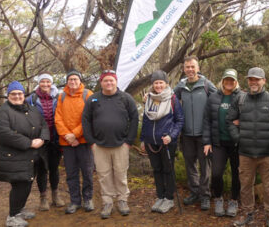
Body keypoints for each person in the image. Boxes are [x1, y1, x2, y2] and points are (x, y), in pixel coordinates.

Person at [226, 67, 269, 227]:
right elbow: (229, 121)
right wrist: (238, 138)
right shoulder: (240, 99)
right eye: (251, 79)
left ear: (263, 81)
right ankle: (247, 214)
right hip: (245, 153)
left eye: (257, 79)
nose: (253, 82)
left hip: (266, 153)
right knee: (245, 186)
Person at [0, 81, 49, 227]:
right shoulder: (3, 112)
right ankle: (12, 216)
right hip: (13, 157)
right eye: (13, 94)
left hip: (30, 156)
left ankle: (19, 209)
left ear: (24, 95)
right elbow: (1, 133)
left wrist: (42, 138)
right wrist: (29, 143)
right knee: (20, 184)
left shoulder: (31, 109)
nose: (17, 96)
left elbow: (44, 125)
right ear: (8, 96)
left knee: (27, 182)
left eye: (19, 93)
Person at [82, 70, 139, 219]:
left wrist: (129, 141)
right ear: (101, 82)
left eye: (111, 80)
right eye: (106, 80)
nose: (109, 83)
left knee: (121, 174)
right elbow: (86, 120)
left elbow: (134, 119)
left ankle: (122, 200)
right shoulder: (93, 99)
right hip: (99, 146)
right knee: (103, 175)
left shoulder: (126, 98)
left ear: (116, 81)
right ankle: (107, 202)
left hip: (121, 145)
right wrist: (91, 142)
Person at [174, 56, 217, 210]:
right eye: (187, 67)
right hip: (186, 134)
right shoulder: (181, 86)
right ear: (184, 69)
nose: (190, 70)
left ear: (198, 68)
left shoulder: (206, 84)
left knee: (205, 166)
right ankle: (195, 193)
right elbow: (168, 98)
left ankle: (205, 195)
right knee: (190, 165)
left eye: (193, 67)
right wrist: (149, 95)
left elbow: (219, 99)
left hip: (204, 134)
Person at [140, 70, 184, 214]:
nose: (158, 85)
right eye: (156, 83)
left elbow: (179, 120)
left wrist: (171, 136)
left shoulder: (172, 99)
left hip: (166, 142)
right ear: (152, 84)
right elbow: (145, 120)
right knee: (157, 170)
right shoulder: (149, 98)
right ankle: (160, 196)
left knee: (168, 170)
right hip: (151, 142)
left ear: (166, 83)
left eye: (161, 82)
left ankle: (169, 198)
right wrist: (142, 139)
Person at [203, 69, 241, 217]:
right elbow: (207, 121)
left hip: (237, 143)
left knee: (237, 174)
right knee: (217, 173)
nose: (229, 82)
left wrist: (241, 122)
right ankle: (218, 198)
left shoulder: (242, 97)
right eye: (227, 80)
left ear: (236, 82)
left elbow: (250, 115)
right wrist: (207, 142)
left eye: (232, 80)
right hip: (218, 143)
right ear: (223, 81)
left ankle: (233, 201)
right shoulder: (213, 98)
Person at [54, 69, 94, 214]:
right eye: (70, 79)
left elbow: (90, 117)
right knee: (71, 173)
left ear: (80, 81)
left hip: (83, 141)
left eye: (75, 79)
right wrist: (68, 136)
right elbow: (57, 118)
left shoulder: (88, 94)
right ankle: (75, 201)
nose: (73, 82)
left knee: (87, 172)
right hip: (67, 143)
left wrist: (76, 135)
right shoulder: (62, 96)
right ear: (67, 81)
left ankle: (88, 199)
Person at [26, 73, 65, 211]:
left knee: (54, 168)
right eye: (43, 82)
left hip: (55, 138)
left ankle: (55, 194)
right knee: (42, 169)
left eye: (48, 82)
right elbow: (25, 119)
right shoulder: (31, 99)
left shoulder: (58, 97)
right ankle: (43, 197)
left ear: (51, 83)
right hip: (40, 139)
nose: (45, 84)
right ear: (39, 83)